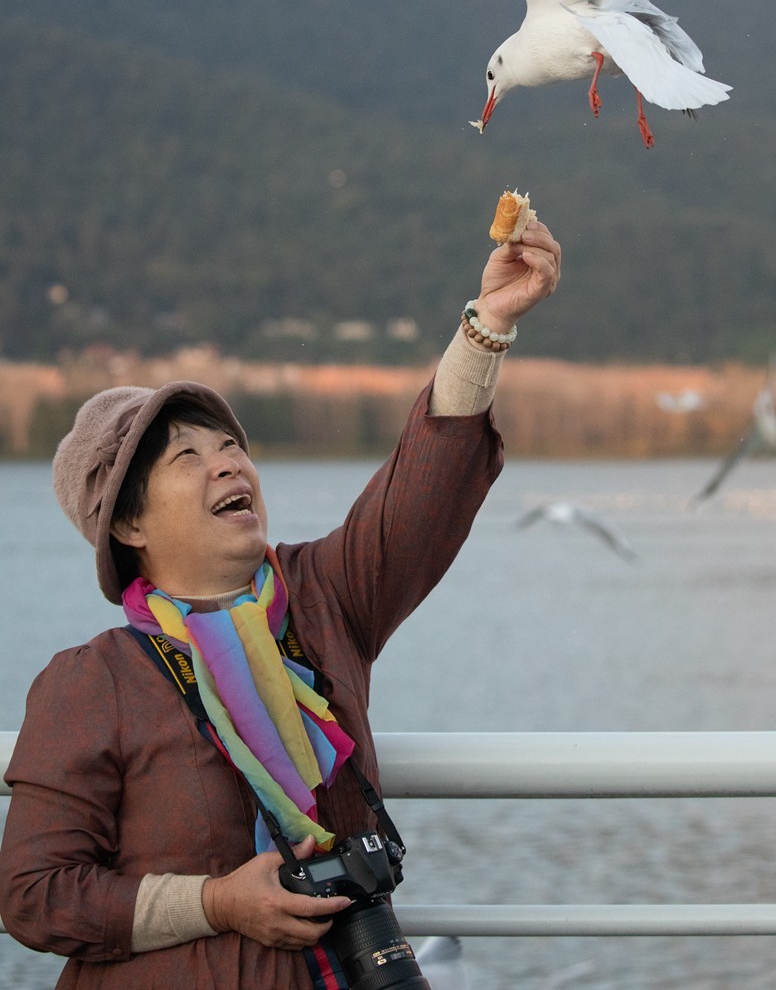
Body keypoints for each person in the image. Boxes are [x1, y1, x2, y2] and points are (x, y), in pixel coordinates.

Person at [0, 218, 561, 989]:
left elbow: (422, 491)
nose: (227, 463)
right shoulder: (92, 681)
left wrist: (488, 325)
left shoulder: (324, 598)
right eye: (188, 457)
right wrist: (216, 903)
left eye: (230, 446)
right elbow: (35, 896)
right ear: (128, 524)